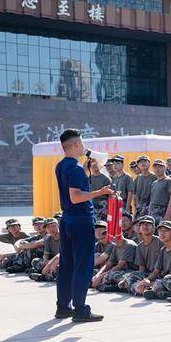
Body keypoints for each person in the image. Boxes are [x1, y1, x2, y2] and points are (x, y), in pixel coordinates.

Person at [53, 129, 112, 321]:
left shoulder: (61, 165)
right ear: (76, 145)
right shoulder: (76, 168)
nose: (84, 146)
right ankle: (80, 309)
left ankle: (63, 307)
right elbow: (76, 196)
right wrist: (99, 192)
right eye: (82, 142)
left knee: (67, 264)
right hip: (81, 221)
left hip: (67, 220)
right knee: (82, 265)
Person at [118, 216, 162, 296]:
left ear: (153, 228)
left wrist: (147, 280)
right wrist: (141, 278)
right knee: (130, 277)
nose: (145, 226)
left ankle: (140, 289)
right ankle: (143, 289)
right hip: (147, 273)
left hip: (159, 274)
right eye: (142, 225)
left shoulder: (160, 242)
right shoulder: (140, 246)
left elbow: (158, 269)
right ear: (139, 228)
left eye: (148, 224)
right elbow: (141, 268)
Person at [29, 217, 61, 282]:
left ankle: (44, 276)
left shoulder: (65, 236)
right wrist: (45, 261)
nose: (51, 229)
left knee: (58, 267)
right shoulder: (48, 238)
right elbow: (46, 254)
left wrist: (49, 264)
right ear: (45, 229)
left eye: (53, 226)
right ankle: (49, 275)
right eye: (48, 227)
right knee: (35, 261)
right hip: (53, 260)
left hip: (65, 260)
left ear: (58, 226)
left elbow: (62, 254)